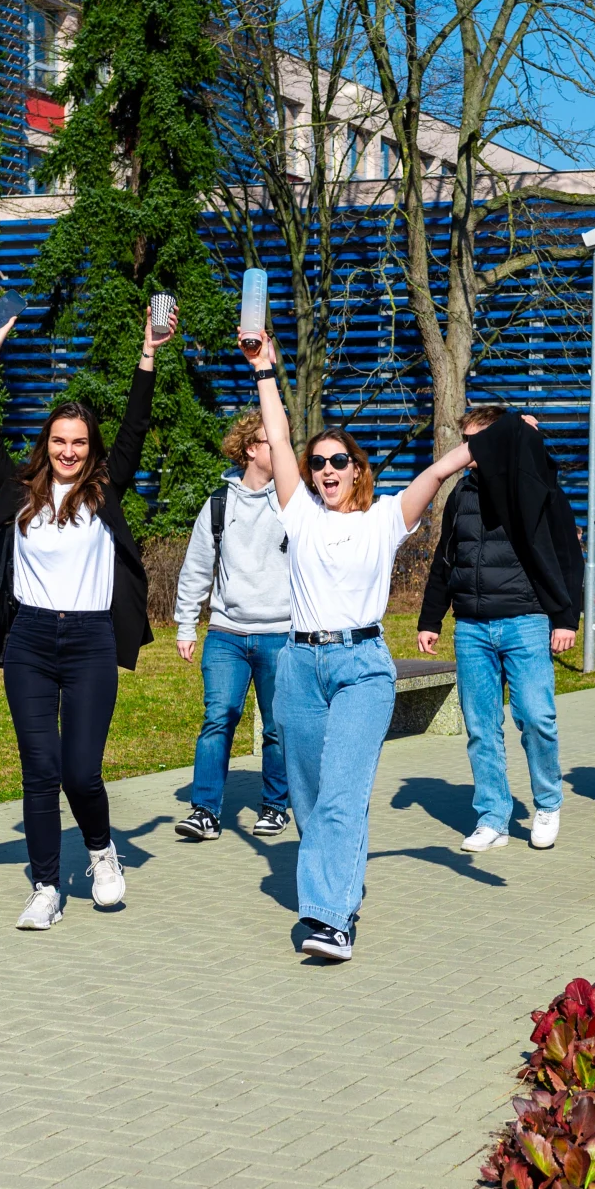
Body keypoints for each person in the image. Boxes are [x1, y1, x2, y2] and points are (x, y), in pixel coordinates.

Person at [238, 330, 475, 963]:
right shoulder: (300, 514)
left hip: (362, 668)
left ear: (358, 470)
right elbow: (280, 440)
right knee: (310, 800)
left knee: (342, 794)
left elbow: (435, 472)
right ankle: (340, 887)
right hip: (299, 666)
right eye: (319, 464)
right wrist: (265, 369)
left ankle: (331, 919)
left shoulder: (384, 520)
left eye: (338, 462)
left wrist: (485, 442)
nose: (326, 472)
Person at [0, 303, 174, 932]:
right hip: (31, 640)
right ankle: (45, 885)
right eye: (59, 441)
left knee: (80, 769)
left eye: (79, 443)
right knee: (39, 771)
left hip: (91, 641)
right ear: (46, 445)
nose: (68, 451)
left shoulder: (106, 492)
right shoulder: (21, 494)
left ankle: (101, 852)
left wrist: (148, 352)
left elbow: (135, 423)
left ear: (91, 449)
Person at [415, 404, 584, 852]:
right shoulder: (461, 495)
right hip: (471, 627)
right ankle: (492, 817)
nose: (468, 451)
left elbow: (568, 557)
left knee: (536, 717)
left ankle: (547, 803)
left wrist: (566, 619)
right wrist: (431, 618)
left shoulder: (536, 489)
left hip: (525, 621)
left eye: (476, 441)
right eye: (465, 441)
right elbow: (444, 560)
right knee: (481, 727)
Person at [170, 410, 292, 843]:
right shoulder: (219, 504)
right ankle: (205, 810)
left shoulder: (292, 500)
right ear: (250, 449)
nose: (282, 446)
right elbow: (197, 570)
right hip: (226, 633)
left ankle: (276, 807)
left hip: (282, 634)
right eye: (272, 440)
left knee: (278, 726)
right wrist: (186, 624)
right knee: (217, 719)